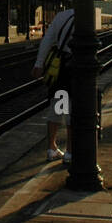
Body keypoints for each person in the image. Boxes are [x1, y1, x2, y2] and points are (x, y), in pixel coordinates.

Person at [32, 9, 76, 162]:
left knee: (58, 107)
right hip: (76, 70)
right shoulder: (86, 17)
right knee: (73, 112)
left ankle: (51, 147)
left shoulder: (61, 16)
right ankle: (70, 151)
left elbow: (47, 40)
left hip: (60, 70)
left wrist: (39, 63)